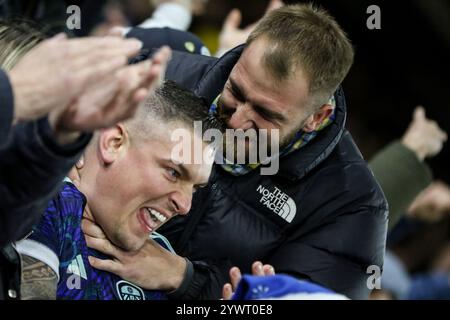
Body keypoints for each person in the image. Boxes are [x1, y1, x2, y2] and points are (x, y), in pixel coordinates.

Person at [84, 4, 388, 300]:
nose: (238, 121)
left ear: (316, 117)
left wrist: (185, 279)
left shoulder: (352, 206)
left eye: (266, 114)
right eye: (236, 92)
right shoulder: (161, 76)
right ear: (241, 56)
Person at [0, 19, 171, 299]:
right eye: (36, 110)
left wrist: (61, 139)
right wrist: (14, 96)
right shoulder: (61, 205)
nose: (184, 204)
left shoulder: (40, 199)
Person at [14, 81, 221, 300]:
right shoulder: (45, 200)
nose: (185, 206)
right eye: (174, 173)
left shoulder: (162, 257)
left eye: (195, 188)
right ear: (114, 143)